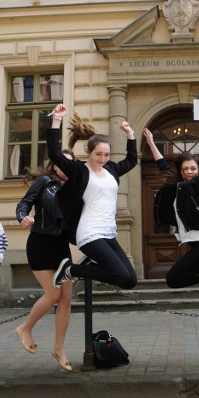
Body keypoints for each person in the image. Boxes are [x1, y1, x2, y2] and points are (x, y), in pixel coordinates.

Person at [47, 104, 138, 290]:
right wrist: (56, 120)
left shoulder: (111, 169)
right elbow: (55, 154)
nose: (102, 159)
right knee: (120, 275)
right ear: (88, 152)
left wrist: (130, 135)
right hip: (89, 232)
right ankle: (72, 270)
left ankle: (74, 270)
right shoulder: (80, 170)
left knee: (129, 281)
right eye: (98, 154)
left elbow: (131, 161)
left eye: (106, 154)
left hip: (108, 232)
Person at [144, 117, 199, 293]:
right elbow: (163, 166)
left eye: (193, 168)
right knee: (174, 279)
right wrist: (151, 143)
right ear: (181, 171)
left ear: (198, 171)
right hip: (197, 244)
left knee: (172, 278)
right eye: (186, 169)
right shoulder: (179, 187)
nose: (190, 172)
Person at [14, 150, 75, 371]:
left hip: (61, 246)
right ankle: (25, 328)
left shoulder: (75, 186)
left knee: (66, 298)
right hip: (40, 243)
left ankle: (59, 348)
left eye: (69, 162)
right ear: (54, 164)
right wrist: (23, 216)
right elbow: (24, 204)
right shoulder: (44, 181)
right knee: (54, 294)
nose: (65, 165)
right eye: (61, 162)